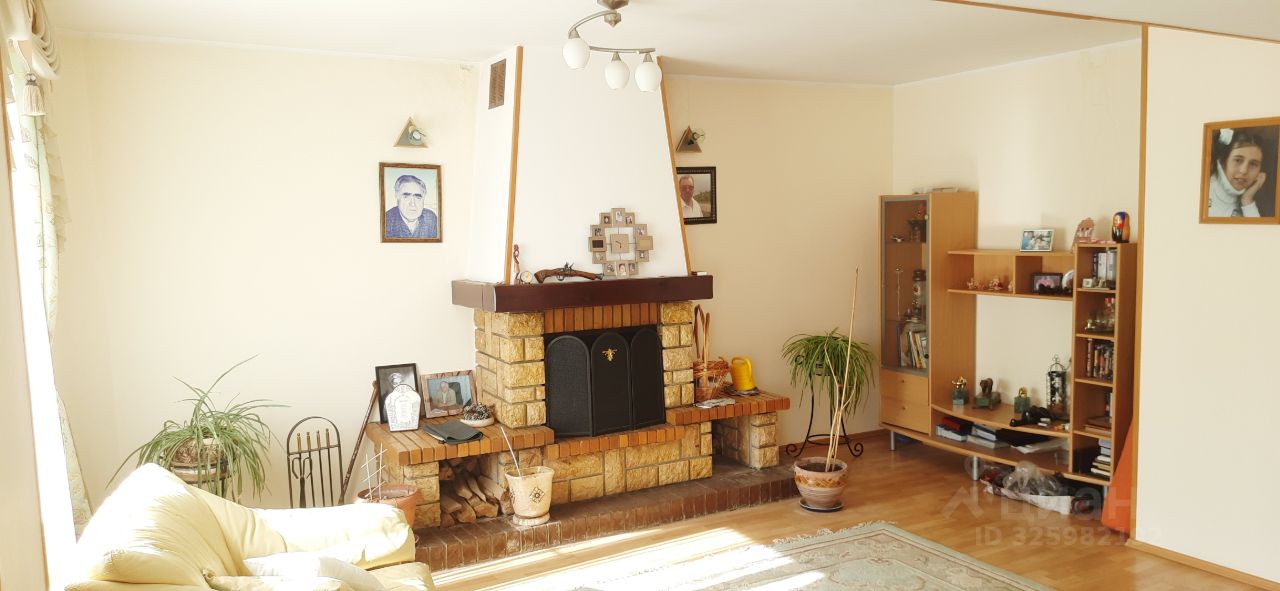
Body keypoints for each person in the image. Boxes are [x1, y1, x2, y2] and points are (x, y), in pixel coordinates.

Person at [1207, 129, 1269, 217]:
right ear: (1223, 162)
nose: (1244, 171)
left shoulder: (1250, 199)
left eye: (1253, 164)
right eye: (1238, 160)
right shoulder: (1205, 192)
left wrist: (1247, 200)